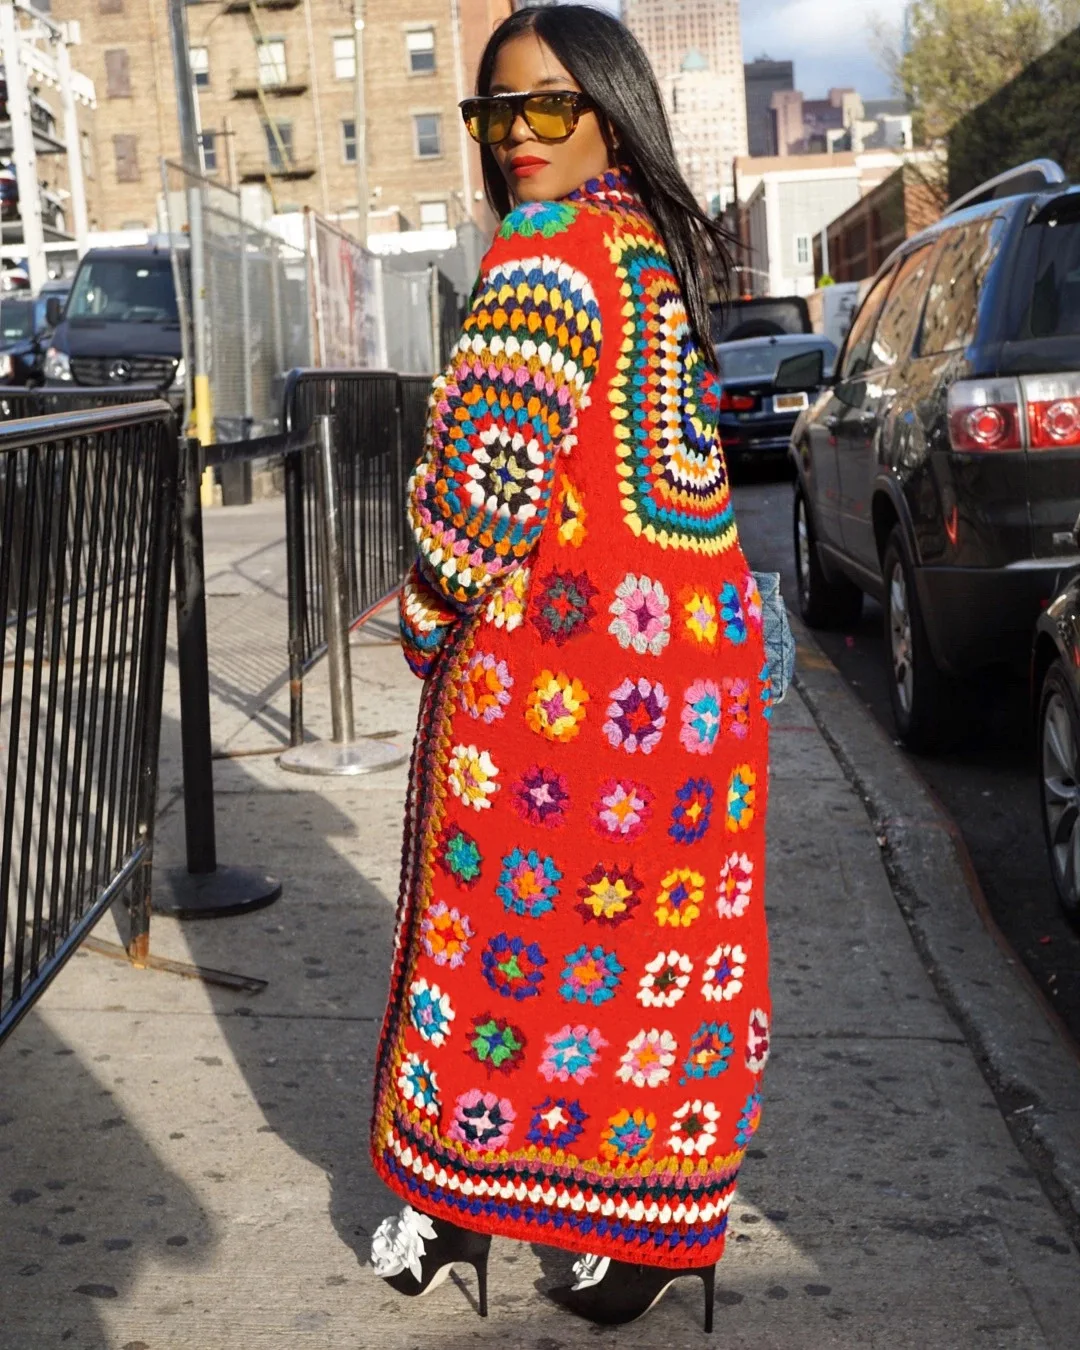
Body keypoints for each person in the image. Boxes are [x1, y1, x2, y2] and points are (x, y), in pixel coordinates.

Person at [369, 4, 772, 1330]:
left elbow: (478, 490)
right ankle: (648, 1231)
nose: (518, 135)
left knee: (488, 956)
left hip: (555, 706)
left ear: (611, 108)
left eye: (550, 104)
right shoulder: (650, 255)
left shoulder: (543, 252)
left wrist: (427, 613)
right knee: (658, 954)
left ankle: (454, 1204)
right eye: (497, 111)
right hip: (690, 706)